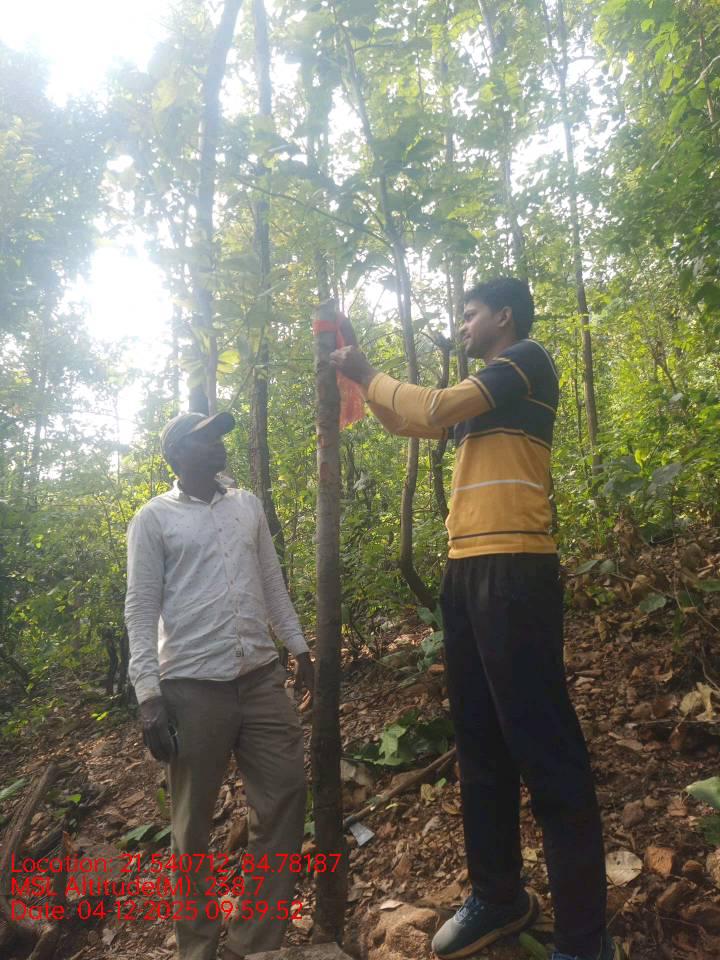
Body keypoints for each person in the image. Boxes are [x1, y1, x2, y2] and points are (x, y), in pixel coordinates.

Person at [330, 277, 622, 960]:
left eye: (470, 314)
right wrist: (359, 373)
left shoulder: (525, 361)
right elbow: (413, 420)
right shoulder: (484, 394)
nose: (461, 325)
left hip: (516, 569)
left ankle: (584, 940)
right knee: (479, 744)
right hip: (465, 573)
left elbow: (435, 404)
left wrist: (369, 373)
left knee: (545, 750)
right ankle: (499, 895)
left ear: (504, 316)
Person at [125, 411, 314, 960]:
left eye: (218, 436)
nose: (216, 444)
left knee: (285, 795)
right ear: (176, 454)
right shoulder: (153, 519)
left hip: (260, 678)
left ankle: (253, 942)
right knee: (191, 828)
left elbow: (271, 583)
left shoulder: (247, 506)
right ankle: (200, 949)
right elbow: (141, 608)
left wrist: (299, 647)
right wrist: (148, 694)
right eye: (203, 437)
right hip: (190, 688)